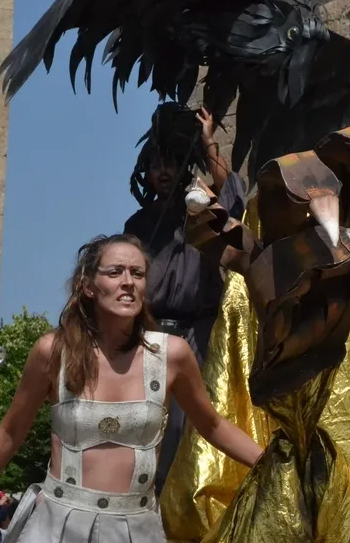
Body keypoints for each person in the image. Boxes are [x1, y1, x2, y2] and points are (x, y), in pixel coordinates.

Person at [0, 234, 263, 543]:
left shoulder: (172, 355)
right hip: (58, 523)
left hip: (137, 528)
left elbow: (212, 424)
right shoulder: (52, 352)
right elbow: (11, 432)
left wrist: (270, 462)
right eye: (115, 272)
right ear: (88, 287)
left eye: (137, 273)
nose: (128, 282)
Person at [123, 103, 246, 494]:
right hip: (149, 333)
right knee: (142, 428)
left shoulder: (204, 210)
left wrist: (209, 142)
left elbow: (235, 196)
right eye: (156, 164)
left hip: (197, 338)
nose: (162, 172)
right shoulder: (138, 224)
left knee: (187, 431)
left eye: (172, 163)